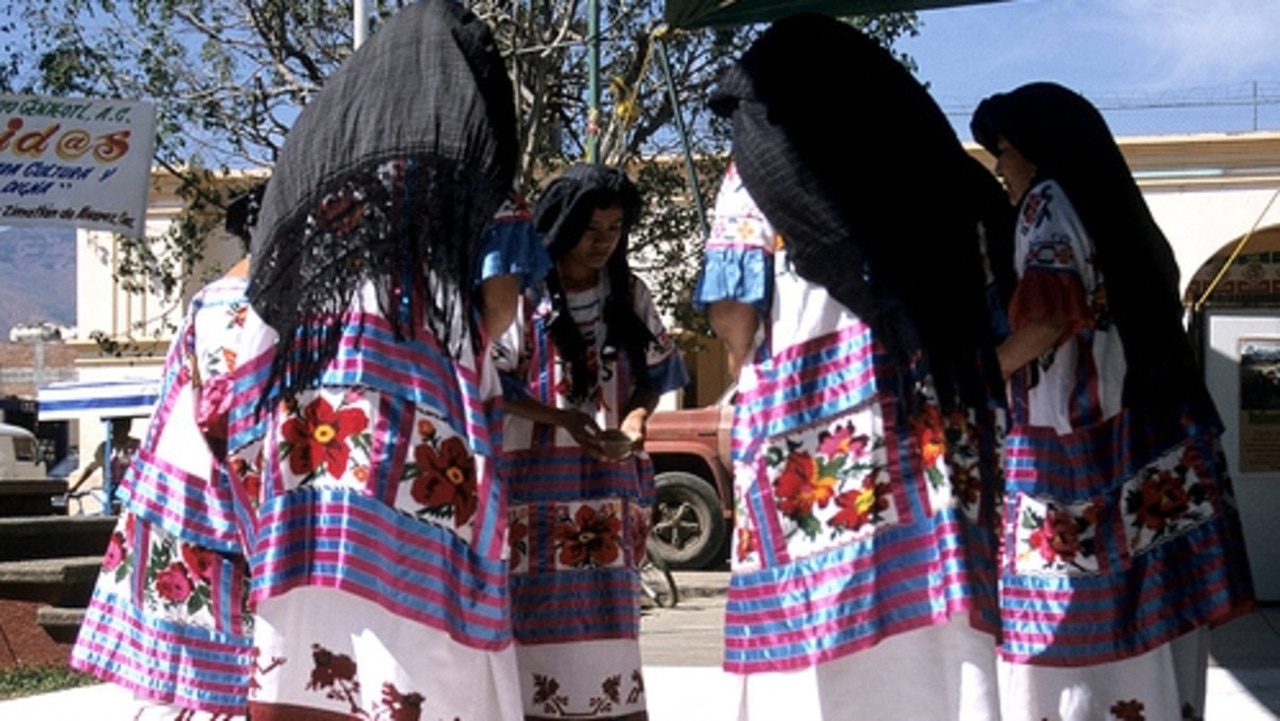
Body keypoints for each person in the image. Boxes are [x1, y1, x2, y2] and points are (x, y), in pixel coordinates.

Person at [695, 14, 1012, 720]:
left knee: (811, 643)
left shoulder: (759, 170)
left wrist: (745, 377)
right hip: (929, 432)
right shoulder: (932, 171)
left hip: (808, 433)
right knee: (940, 641)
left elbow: (733, 310)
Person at [222, 1, 530, 717]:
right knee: (421, 637)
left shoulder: (316, 160)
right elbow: (497, 310)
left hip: (312, 447)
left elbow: (263, 313)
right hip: (423, 439)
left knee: (313, 631)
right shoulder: (468, 162)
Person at [970, 82, 1256, 720]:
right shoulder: (1113, 212)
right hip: (1151, 449)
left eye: (1005, 150)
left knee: (1056, 644)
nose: (1001, 168)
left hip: (1072, 464)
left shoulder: (1047, 201)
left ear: (1038, 149)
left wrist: (969, 380)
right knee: (1160, 635)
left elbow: (1046, 319)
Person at [493, 163, 689, 720]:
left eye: (615, 229)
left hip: (609, 492)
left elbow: (654, 377)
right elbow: (494, 380)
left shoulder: (629, 295)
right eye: (591, 229)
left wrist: (635, 423)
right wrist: (560, 420)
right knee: (532, 617)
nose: (604, 242)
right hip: (530, 493)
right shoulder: (524, 295)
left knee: (611, 618)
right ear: (561, 226)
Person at [68, 181, 265, 718]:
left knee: (179, 677)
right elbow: (229, 415)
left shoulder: (212, 299)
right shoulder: (241, 305)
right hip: (211, 509)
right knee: (216, 674)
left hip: (176, 497)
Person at [67, 416, 141, 507]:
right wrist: (75, 486)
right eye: (114, 428)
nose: (114, 432)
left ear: (128, 428)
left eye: (120, 427)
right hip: (112, 489)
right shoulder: (106, 447)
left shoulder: (137, 445)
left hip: (132, 488)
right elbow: (92, 467)